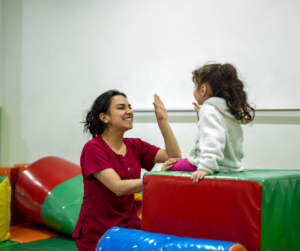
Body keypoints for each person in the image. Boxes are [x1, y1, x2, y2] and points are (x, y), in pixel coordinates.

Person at [73, 90, 181, 251]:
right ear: (105, 117)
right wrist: (156, 177)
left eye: (129, 107)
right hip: (98, 233)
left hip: (129, 228)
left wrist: (162, 121)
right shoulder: (93, 148)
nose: (129, 111)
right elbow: (118, 187)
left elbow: (174, 156)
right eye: (121, 107)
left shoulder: (135, 145)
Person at [161, 63, 255, 183]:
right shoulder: (228, 110)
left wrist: (206, 168)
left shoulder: (209, 110)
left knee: (169, 168)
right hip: (232, 167)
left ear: (203, 89)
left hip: (211, 164)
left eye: (195, 86)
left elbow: (213, 140)